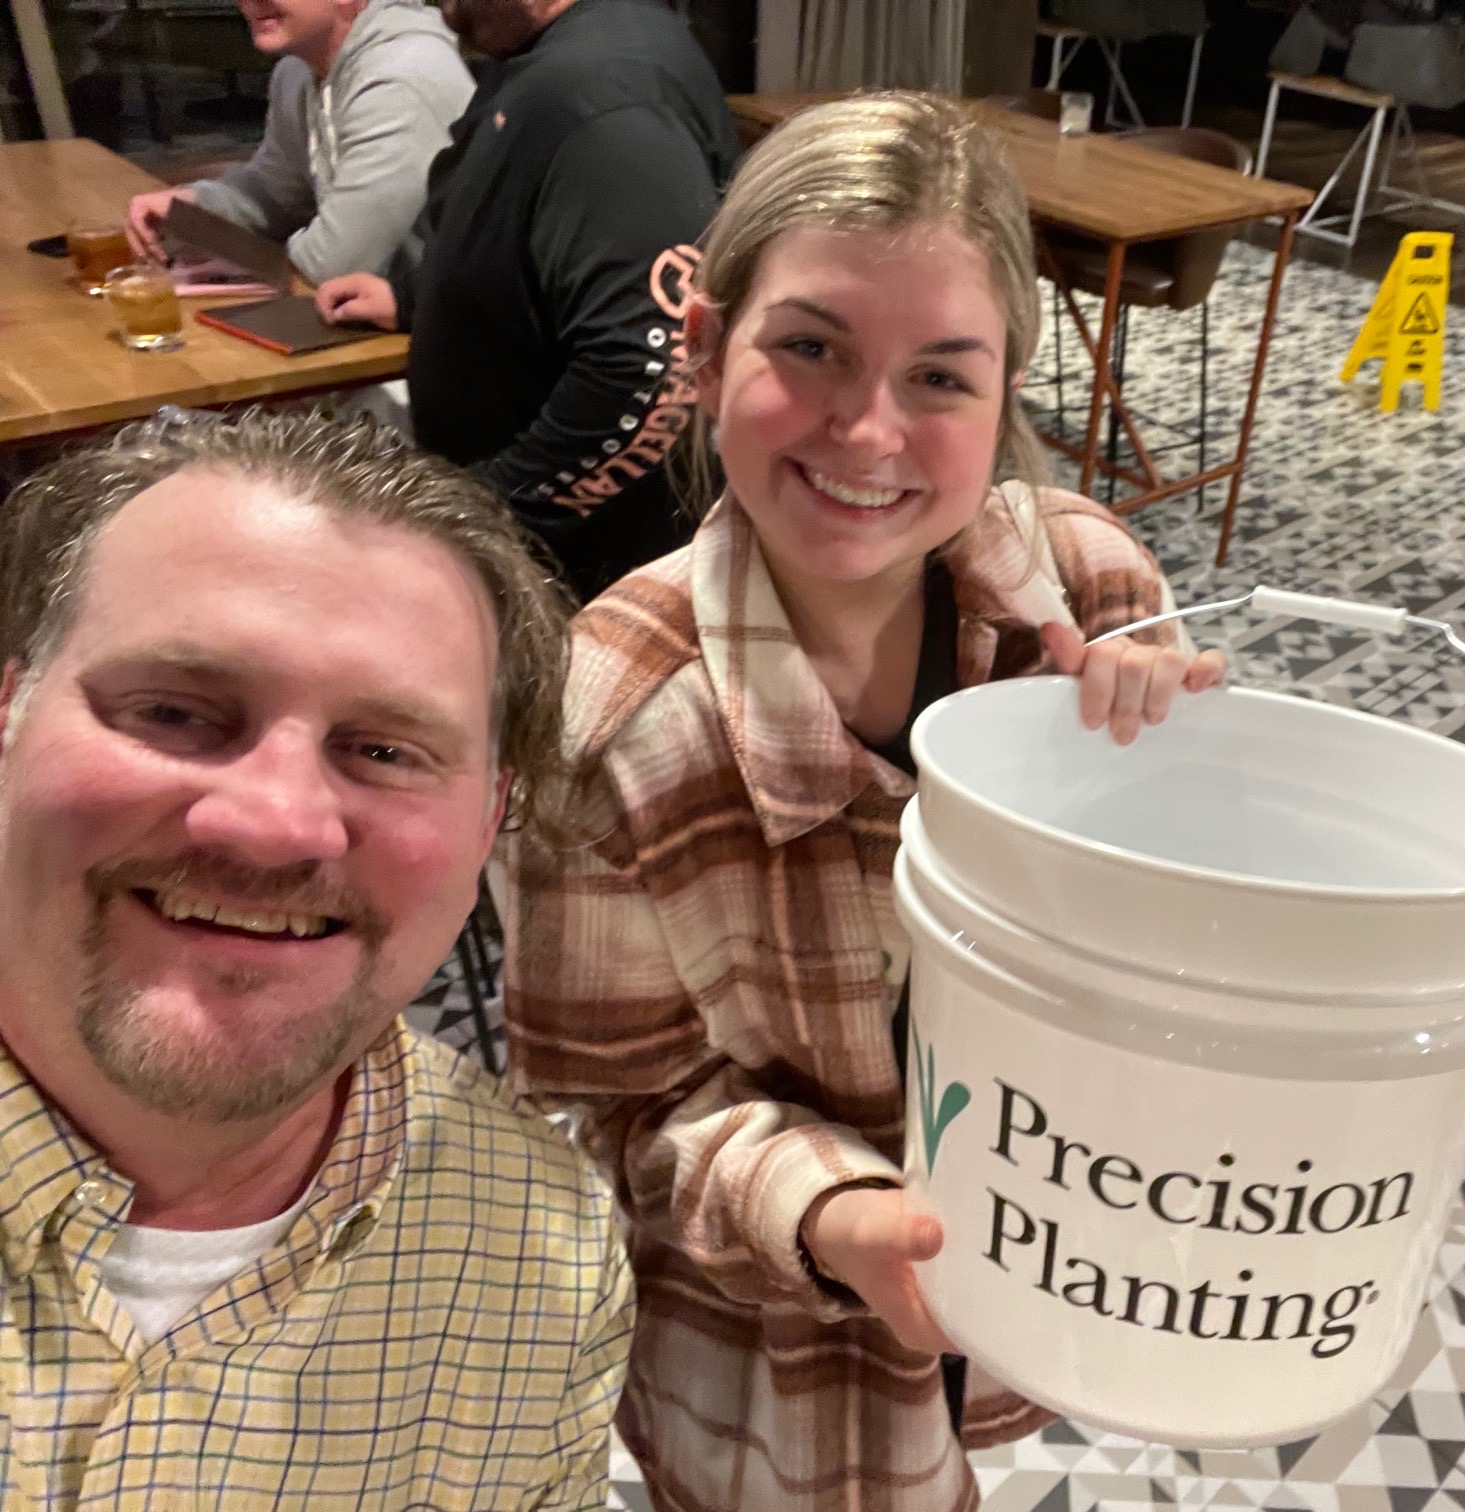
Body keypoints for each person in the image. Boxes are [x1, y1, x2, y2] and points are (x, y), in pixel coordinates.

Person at [504, 93, 1226, 1512]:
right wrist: (829, 1213)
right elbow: (622, 1112)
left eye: (941, 376)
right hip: (779, 1348)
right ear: (705, 350)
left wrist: (1184, 780)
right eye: (812, 348)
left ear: (1004, 394)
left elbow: (1168, 951)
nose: (870, 429)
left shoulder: (1089, 587)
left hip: (1041, 1236)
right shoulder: (610, 729)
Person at [0, 410, 632, 1508]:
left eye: (384, 750)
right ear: (9, 715)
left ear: (492, 819)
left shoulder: (545, 1252)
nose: (275, 825)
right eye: (174, 711)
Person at [315, 0, 741, 603]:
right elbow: (531, 229)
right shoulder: (548, 57)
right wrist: (414, 297)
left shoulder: (601, 95)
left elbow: (649, 372)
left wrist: (473, 517)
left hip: (575, 582)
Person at [125, 0, 473, 284]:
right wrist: (187, 209)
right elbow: (277, 197)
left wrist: (252, 262)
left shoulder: (401, 76)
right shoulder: (296, 71)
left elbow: (340, 264)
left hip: (437, 335)